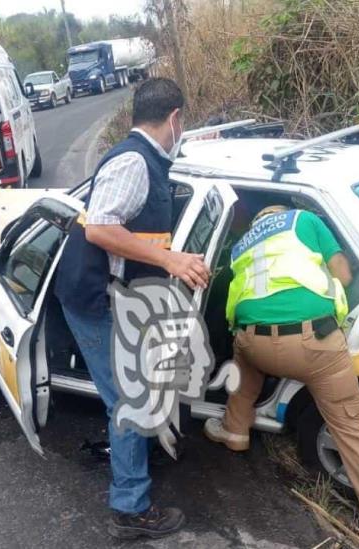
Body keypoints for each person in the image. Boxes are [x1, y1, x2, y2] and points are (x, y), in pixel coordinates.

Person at [53, 78, 210, 540]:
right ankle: (129, 507)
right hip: (94, 298)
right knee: (128, 400)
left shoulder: (149, 159)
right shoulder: (133, 163)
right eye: (184, 123)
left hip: (117, 296)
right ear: (175, 118)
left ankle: (135, 456)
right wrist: (172, 260)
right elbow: (101, 228)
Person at [203, 205, 359, 544]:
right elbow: (343, 274)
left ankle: (234, 431)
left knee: (243, 364)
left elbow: (232, 307)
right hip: (315, 343)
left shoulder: (241, 247)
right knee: (352, 429)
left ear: (259, 221)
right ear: (283, 212)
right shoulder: (305, 220)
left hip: (255, 342)